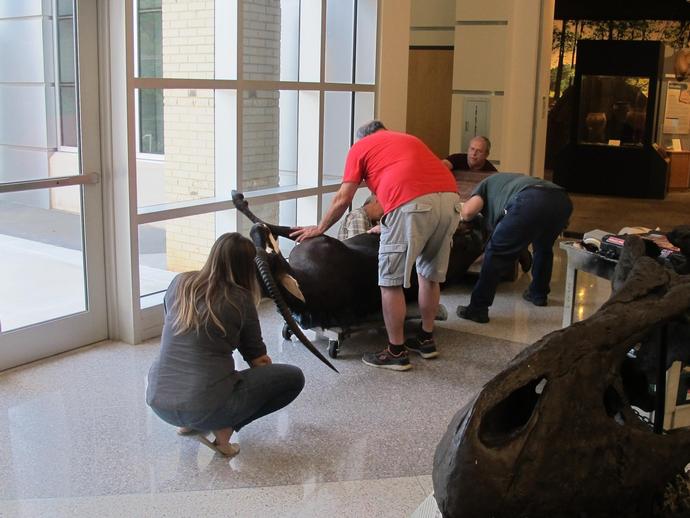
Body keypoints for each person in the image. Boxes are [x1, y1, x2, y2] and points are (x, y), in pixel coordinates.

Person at [290, 121, 461, 371]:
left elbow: (343, 198)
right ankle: (426, 340)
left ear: (362, 139)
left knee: (389, 281)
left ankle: (396, 352)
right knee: (429, 274)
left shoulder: (361, 147)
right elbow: (412, 182)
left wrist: (320, 228)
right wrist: (391, 221)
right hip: (451, 201)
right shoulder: (408, 139)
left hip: (413, 206)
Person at [146, 232, 305, 457]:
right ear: (247, 268)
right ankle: (224, 432)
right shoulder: (240, 299)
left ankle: (189, 424)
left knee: (202, 375)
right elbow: (258, 361)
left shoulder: (179, 282)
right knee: (293, 377)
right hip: (204, 404)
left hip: (159, 402)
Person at [456, 173, 573, 324]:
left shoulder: (483, 186)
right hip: (562, 200)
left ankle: (478, 309)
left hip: (530, 201)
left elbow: (468, 212)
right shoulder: (505, 181)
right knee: (543, 247)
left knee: (496, 253)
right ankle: (538, 293)